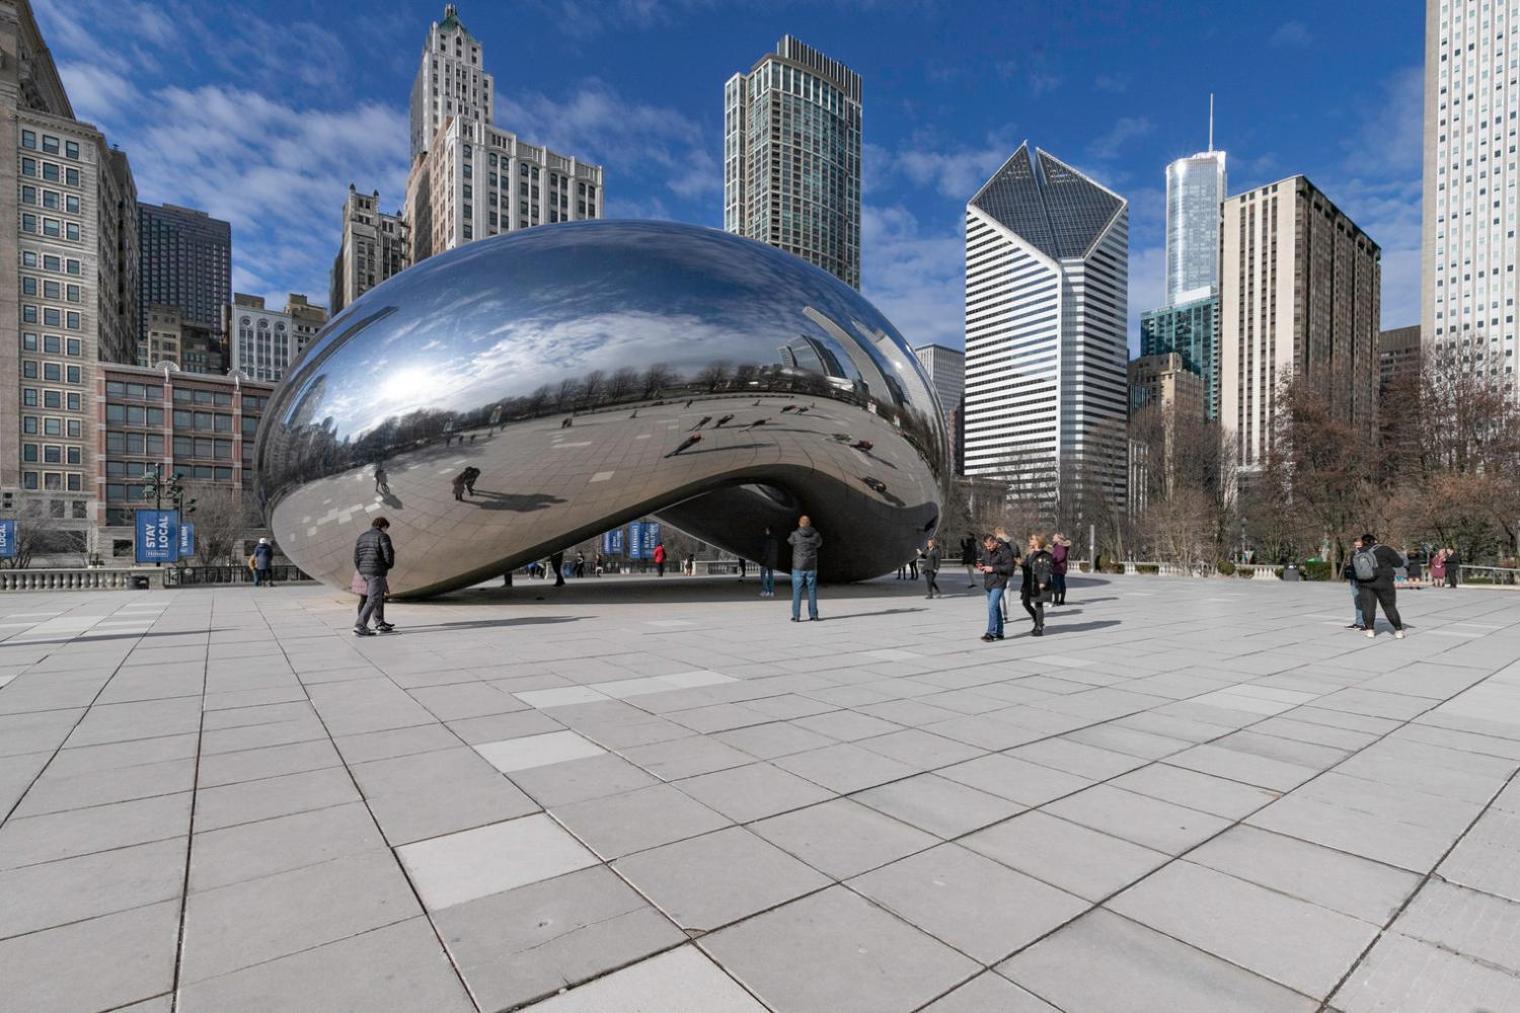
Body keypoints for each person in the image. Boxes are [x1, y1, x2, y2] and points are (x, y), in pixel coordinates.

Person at [1354, 533, 1406, 639]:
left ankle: (1370, 631)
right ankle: (1398, 631)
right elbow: (1399, 563)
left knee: (1368, 607)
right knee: (1389, 607)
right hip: (1384, 582)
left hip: (1365, 583)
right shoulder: (1385, 549)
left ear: (1362, 542)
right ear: (1375, 541)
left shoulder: (1359, 552)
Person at [353, 517, 396, 636]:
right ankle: (360, 625)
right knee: (373, 598)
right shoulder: (382, 536)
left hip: (363, 571)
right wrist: (387, 566)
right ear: (384, 526)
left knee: (375, 597)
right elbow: (388, 554)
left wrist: (361, 568)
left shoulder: (362, 536)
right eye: (386, 528)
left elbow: (356, 556)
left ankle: (379, 623)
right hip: (376, 571)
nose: (386, 530)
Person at [976, 532, 1014, 641]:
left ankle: (991, 633)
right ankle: (999, 632)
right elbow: (984, 560)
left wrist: (993, 568)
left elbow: (1009, 568)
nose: (988, 548)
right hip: (988, 582)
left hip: (999, 582)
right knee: (995, 608)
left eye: (989, 545)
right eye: (986, 546)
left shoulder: (1005, 551)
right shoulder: (987, 551)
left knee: (992, 606)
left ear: (995, 542)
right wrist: (981, 565)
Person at [788, 515, 822, 621]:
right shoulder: (816, 535)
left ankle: (796, 616)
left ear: (799, 523)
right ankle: (814, 615)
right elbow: (819, 544)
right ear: (809, 523)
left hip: (798, 567)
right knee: (812, 591)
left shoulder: (795, 534)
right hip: (811, 566)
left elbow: (790, 541)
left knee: (797, 592)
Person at [1022, 535, 1054, 636]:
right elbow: (1027, 567)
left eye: (1032, 539)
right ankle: (1038, 621)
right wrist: (1021, 563)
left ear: (1038, 541)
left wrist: (1043, 581)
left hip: (1039, 583)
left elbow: (1047, 569)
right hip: (1030, 583)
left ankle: (1039, 627)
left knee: (1038, 604)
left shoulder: (1045, 555)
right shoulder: (1030, 553)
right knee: (1025, 602)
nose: (1030, 540)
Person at [1342, 537, 1366, 630]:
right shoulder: (1353, 553)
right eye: (1356, 545)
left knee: (1365, 602)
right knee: (1357, 602)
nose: (1357, 547)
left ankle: (1366, 623)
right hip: (1354, 580)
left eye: (1359, 545)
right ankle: (1359, 623)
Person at [1049, 533, 1069, 606]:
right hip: (1059, 567)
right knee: (1060, 583)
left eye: (1054, 537)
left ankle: (1057, 601)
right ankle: (1060, 600)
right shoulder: (1057, 545)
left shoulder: (1060, 546)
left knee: (1056, 584)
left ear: (1058, 538)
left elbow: (1061, 556)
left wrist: (1052, 560)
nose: (1053, 537)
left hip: (1058, 567)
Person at [760, 526, 779, 598]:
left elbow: (766, 552)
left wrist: (762, 561)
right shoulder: (775, 540)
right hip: (772, 561)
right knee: (771, 576)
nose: (766, 531)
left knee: (763, 575)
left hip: (766, 561)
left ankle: (766, 590)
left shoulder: (767, 540)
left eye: (767, 530)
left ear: (769, 531)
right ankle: (772, 592)